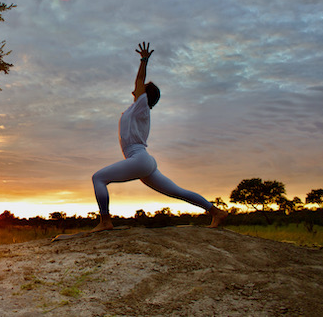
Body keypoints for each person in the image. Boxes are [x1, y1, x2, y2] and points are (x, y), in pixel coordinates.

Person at [91, 42, 227, 232]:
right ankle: (216, 212)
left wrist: (144, 61)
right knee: (177, 192)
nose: (134, 91)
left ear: (144, 95)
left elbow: (139, 79)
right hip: (143, 161)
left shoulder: (141, 105)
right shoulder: (137, 109)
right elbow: (139, 85)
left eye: (139, 90)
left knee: (98, 178)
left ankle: (105, 221)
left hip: (139, 158)